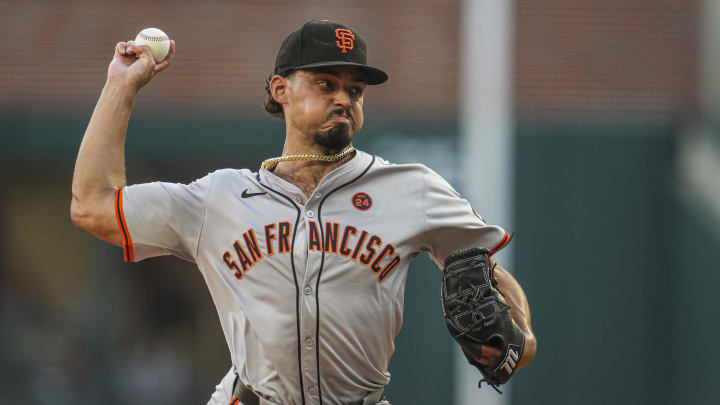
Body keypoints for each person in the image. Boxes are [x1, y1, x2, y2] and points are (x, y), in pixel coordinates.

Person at [71, 20, 536, 405]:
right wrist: (121, 86)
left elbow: (483, 265)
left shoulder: (410, 188)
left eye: (354, 90)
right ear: (281, 89)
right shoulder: (218, 199)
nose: (343, 99)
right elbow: (93, 206)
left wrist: (524, 336)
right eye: (325, 83)